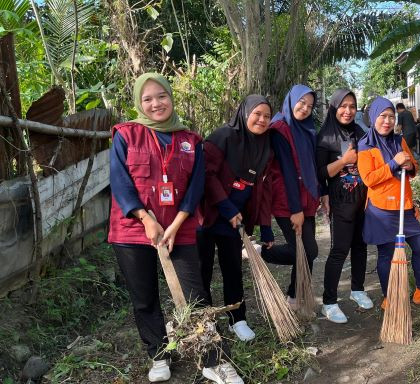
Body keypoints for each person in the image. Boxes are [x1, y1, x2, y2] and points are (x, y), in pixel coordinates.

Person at [108, 73, 243, 383]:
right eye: (148, 98)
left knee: (195, 295)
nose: (156, 103)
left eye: (162, 96)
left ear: (171, 97)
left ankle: (212, 359)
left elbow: (195, 188)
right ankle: (159, 355)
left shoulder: (190, 140)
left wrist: (176, 223)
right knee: (144, 297)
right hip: (133, 229)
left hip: (179, 228)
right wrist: (148, 219)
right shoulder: (126, 135)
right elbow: (120, 182)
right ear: (139, 103)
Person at [198, 95, 274, 342]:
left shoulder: (264, 146)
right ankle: (204, 323)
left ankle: (237, 319)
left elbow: (262, 189)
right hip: (209, 216)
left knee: (233, 270)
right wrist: (226, 207)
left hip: (235, 221)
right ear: (244, 113)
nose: (262, 120)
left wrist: (265, 226)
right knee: (203, 272)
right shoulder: (223, 137)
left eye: (266, 116)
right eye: (257, 114)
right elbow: (206, 176)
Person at [357, 97, 420, 310]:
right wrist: (394, 163)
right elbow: (369, 179)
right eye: (382, 116)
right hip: (381, 211)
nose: (387, 121)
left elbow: (412, 166)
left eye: (391, 117)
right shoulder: (365, 145)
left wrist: (409, 166)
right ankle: (389, 297)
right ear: (374, 118)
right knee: (386, 254)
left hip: (405, 207)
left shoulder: (399, 140)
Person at [260, 84, 319, 306]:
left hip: (307, 199)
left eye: (310, 106)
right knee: (307, 251)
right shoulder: (279, 129)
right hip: (288, 201)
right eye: (301, 102)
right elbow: (286, 171)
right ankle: (262, 252)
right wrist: (296, 210)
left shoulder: (305, 129)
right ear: (291, 100)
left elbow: (311, 165)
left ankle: (295, 297)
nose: (304, 109)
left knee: (307, 249)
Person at [316, 89, 372, 324]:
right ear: (334, 107)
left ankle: (357, 289)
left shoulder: (361, 132)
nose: (348, 111)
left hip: (364, 199)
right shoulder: (325, 137)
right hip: (341, 201)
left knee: (360, 245)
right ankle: (329, 302)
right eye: (343, 106)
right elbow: (320, 174)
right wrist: (344, 161)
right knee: (340, 250)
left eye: (352, 106)